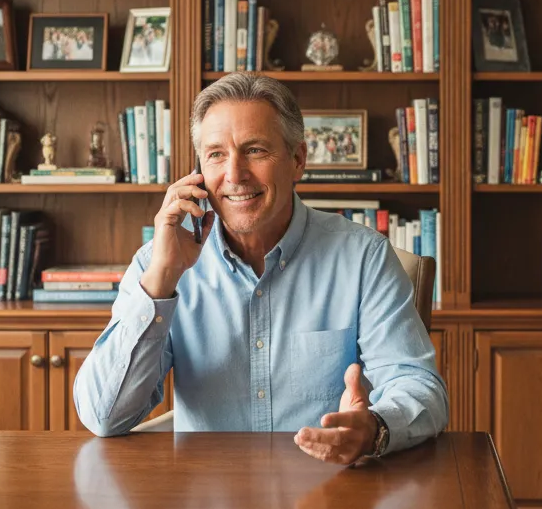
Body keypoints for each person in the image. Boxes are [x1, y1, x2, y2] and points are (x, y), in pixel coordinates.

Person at [74, 72, 448, 464]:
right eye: (216, 154)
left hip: (329, 503)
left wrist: (375, 429)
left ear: (298, 160)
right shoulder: (159, 264)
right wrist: (159, 286)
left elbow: (421, 389)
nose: (234, 175)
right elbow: (102, 416)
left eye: (254, 150)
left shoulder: (363, 258)